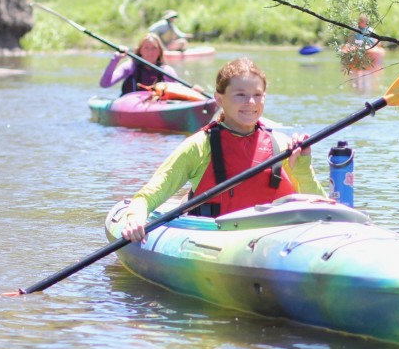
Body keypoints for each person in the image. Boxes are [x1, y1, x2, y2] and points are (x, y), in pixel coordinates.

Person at [121, 57, 327, 243]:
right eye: (241, 95)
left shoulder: (282, 145)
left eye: (258, 94)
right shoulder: (200, 145)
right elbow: (150, 195)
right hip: (215, 240)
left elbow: (322, 208)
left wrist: (302, 167)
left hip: (273, 239)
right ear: (219, 99)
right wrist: (135, 218)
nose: (251, 103)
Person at [99, 33, 179, 95]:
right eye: (146, 48)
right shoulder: (130, 67)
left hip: (156, 106)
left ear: (159, 51)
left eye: (154, 48)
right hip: (130, 107)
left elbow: (180, 91)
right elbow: (105, 84)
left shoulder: (167, 71)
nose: (150, 52)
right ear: (140, 51)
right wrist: (116, 59)